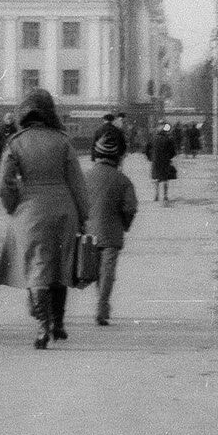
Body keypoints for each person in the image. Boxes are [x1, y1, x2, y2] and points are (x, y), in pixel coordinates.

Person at [0, 88, 89, 349]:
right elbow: (78, 183)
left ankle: (42, 327)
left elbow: (3, 184)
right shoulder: (63, 141)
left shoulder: (16, 142)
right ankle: (58, 323)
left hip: (31, 211)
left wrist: (13, 207)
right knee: (61, 265)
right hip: (63, 209)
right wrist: (83, 216)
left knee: (37, 266)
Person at [83, 127, 138, 327]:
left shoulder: (85, 177)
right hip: (112, 233)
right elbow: (130, 207)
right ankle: (102, 305)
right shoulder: (123, 180)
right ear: (116, 157)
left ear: (96, 155)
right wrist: (125, 224)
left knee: (95, 269)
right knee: (107, 270)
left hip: (90, 232)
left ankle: (100, 302)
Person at [148, 121, 179, 203]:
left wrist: (150, 158)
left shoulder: (153, 138)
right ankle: (165, 196)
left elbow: (147, 149)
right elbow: (173, 152)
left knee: (156, 178)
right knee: (165, 179)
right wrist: (169, 157)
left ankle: (156, 195)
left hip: (155, 160)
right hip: (165, 161)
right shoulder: (168, 139)